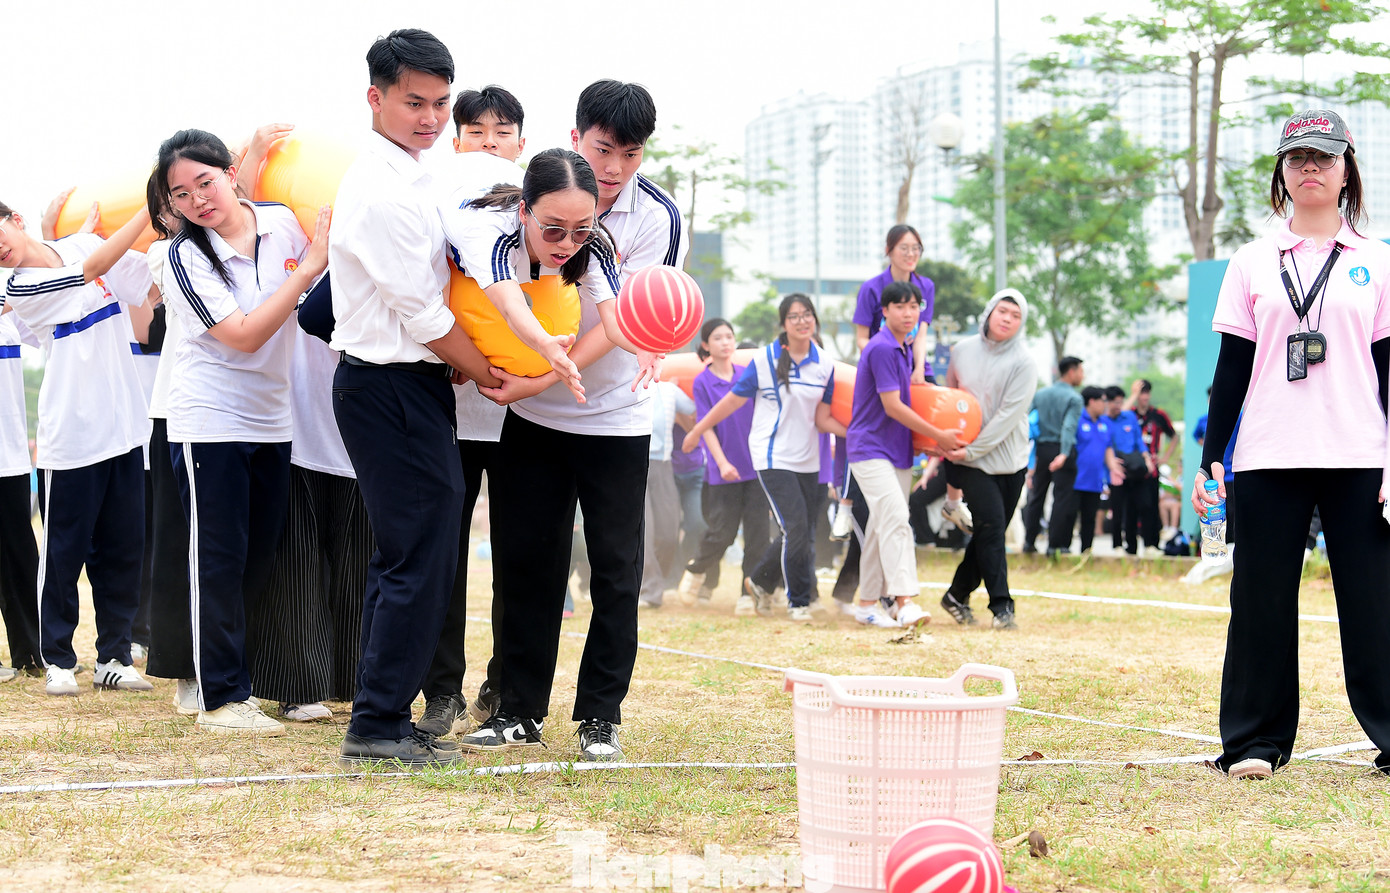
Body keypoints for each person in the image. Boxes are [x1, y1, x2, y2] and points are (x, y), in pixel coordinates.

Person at [454, 81, 683, 763]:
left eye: (630, 154)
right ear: (579, 135)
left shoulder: (657, 217)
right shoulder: (526, 193)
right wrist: (523, 378)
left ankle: (600, 715)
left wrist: (545, 370)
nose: (613, 167)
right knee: (527, 563)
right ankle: (518, 708)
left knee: (617, 567)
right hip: (532, 416)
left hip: (613, 416)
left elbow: (625, 320)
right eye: (603, 148)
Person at [1193, 108, 1390, 779]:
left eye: (1324, 157)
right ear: (1281, 172)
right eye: (1298, 156)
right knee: (1260, 602)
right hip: (1269, 456)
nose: (1311, 166)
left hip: (1360, 456)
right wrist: (1209, 459)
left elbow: (1389, 372)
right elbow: (1231, 370)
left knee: (1374, 603)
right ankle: (1253, 741)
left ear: (1346, 172)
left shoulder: (1377, 262)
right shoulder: (1252, 261)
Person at [330, 29, 499, 768]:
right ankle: (377, 725)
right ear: (376, 98)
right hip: (388, 384)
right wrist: (488, 368)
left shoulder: (419, 174)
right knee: (418, 554)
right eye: (413, 102)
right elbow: (423, 313)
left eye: (440, 103)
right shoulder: (379, 187)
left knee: (411, 553)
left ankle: (383, 712)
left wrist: (459, 359)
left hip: (412, 384)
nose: (430, 117)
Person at [153, 128, 330, 735]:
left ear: (231, 173)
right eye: (182, 194)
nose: (199, 200)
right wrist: (306, 272)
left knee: (257, 558)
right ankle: (220, 698)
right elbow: (246, 335)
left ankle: (224, 680)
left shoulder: (282, 221)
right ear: (173, 205)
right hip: (210, 418)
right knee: (219, 556)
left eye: (205, 181)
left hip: (273, 417)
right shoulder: (181, 256)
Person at [0, 196, 155, 696]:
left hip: (125, 424)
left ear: (15, 220)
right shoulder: (17, 285)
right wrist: (149, 207)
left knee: (124, 547)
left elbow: (143, 287)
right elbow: (93, 268)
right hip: (72, 433)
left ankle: (114, 653)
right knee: (64, 552)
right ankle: (58, 659)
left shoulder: (86, 241)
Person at [415, 89, 530, 740]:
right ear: (456, 139)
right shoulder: (438, 204)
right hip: (450, 408)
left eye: (502, 131)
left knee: (519, 554)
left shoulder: (537, 213)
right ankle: (443, 689)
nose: (488, 141)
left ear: (521, 142)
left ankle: (505, 685)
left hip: (522, 412)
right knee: (445, 556)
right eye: (476, 130)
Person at [683, 294, 846, 622]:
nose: (802, 321)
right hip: (772, 457)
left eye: (807, 315)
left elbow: (823, 418)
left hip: (810, 459)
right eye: (794, 316)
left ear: (814, 320)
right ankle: (798, 602)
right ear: (784, 325)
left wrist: (855, 432)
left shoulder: (825, 364)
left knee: (801, 530)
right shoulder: (764, 361)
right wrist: (697, 430)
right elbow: (730, 402)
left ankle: (759, 581)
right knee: (795, 527)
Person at [847, 281, 961, 628]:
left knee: (883, 526)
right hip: (869, 449)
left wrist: (931, 443)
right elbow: (893, 406)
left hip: (897, 450)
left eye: (914, 306)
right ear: (884, 311)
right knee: (897, 518)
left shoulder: (904, 348)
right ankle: (903, 601)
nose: (908, 312)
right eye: (900, 306)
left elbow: (909, 404)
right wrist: (938, 434)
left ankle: (867, 604)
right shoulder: (882, 348)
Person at [936, 289, 1034, 631]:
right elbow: (949, 398)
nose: (1007, 318)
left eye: (1015, 315)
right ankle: (1002, 607)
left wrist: (973, 448)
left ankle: (956, 594)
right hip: (971, 462)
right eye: (1002, 311)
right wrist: (955, 448)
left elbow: (1009, 416)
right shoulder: (961, 351)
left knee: (988, 535)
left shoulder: (1024, 361)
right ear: (989, 313)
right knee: (991, 530)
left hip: (1010, 461)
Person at [677, 318, 771, 613]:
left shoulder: (747, 375)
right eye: (718, 338)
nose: (726, 342)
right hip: (722, 469)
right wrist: (722, 462)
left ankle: (747, 594)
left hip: (754, 467)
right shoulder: (702, 381)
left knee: (757, 533)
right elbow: (706, 426)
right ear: (706, 345)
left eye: (730, 337)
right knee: (723, 532)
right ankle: (695, 570)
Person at [0, 312, 40, 681]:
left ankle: (29, 653)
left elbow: (47, 328)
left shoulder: (10, 313)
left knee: (21, 558)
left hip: (10, 457)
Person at [637, 379, 693, 608]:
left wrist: (697, 432)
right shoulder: (630, 383)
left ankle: (656, 580)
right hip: (635, 462)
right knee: (645, 531)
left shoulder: (671, 390)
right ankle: (650, 589)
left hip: (663, 464)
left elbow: (693, 411)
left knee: (669, 532)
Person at [1021, 356, 1083, 555]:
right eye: (1081, 371)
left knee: (1037, 496)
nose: (1083, 375)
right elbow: (1068, 426)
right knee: (1061, 498)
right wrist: (1064, 454)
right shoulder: (1074, 398)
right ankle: (1055, 545)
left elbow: (1029, 422)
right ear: (1071, 372)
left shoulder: (1040, 395)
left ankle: (1029, 541)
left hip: (1042, 449)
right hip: (1062, 450)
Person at [1126, 378, 1177, 546]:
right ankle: (1130, 546)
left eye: (1147, 392)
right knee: (1131, 509)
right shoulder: (1129, 414)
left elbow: (1174, 437)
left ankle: (1152, 545)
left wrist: (1165, 457)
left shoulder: (1158, 415)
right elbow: (1117, 419)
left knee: (1151, 507)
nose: (1144, 397)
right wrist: (1133, 395)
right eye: (1141, 392)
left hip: (1151, 470)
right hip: (1131, 469)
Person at [1106, 385, 1153, 555]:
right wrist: (1111, 463)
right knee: (1118, 510)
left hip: (1135, 469)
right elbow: (1106, 445)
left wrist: (1146, 458)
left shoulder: (1129, 417)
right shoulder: (1104, 421)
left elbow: (1138, 440)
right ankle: (1118, 545)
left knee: (1143, 506)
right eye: (1115, 402)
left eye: (1120, 402)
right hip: (1117, 470)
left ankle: (1146, 545)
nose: (1118, 406)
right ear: (1108, 402)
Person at [1070, 387, 1114, 553]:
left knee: (1090, 519)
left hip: (1095, 481)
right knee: (1070, 517)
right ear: (1092, 401)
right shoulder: (1077, 420)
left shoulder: (1104, 423)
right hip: (1076, 480)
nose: (1105, 404)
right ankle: (1063, 550)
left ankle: (1086, 552)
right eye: (1103, 401)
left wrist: (1113, 469)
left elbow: (1108, 447)